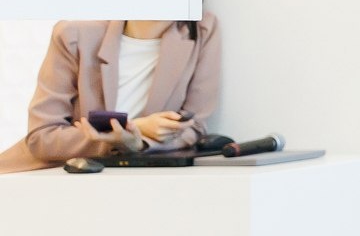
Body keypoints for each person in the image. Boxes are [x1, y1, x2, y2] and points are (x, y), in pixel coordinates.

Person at [0, 12, 223, 173]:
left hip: (135, 182)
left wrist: (139, 143)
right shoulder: (74, 33)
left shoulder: (201, 30)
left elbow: (194, 127)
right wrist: (132, 131)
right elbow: (42, 138)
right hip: (42, 178)